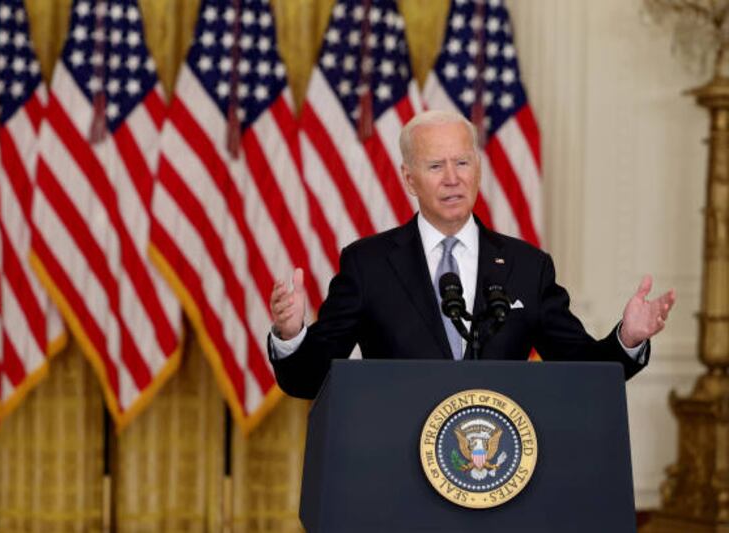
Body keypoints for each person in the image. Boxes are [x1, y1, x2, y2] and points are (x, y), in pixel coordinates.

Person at [268, 110, 675, 399]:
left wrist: (627, 338)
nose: (452, 179)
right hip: (398, 474)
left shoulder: (527, 267)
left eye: (462, 162)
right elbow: (308, 379)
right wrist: (290, 335)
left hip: (499, 474)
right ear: (409, 179)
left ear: (477, 168)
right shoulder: (368, 264)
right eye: (435, 166)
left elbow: (585, 371)